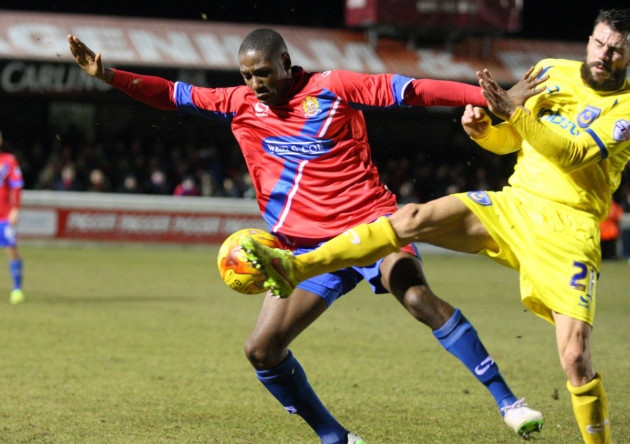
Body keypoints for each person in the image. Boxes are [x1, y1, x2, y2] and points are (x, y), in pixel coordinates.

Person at [68, 29, 544, 443]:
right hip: (304, 250)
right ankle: (334, 437)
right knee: (261, 349)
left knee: (416, 295)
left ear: (285, 64)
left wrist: (489, 97)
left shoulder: (333, 88)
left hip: (371, 228)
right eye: (247, 75)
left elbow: (416, 90)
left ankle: (508, 402)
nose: (256, 84)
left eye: (264, 73)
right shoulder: (237, 104)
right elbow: (171, 93)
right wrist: (109, 75)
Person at [243, 9, 630, 444]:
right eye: (599, 43)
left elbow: (574, 154)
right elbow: (514, 141)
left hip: (569, 228)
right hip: (516, 204)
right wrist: (484, 131)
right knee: (409, 218)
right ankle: (296, 268)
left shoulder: (627, 107)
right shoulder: (550, 73)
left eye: (616, 49)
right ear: (589, 39)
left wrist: (513, 113)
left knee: (575, 357)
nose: (604, 54)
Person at [0, 132, 25, 304]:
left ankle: (17, 288)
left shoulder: (8, 161)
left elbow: (16, 186)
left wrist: (15, 208)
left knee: (11, 250)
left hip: (4, 214)